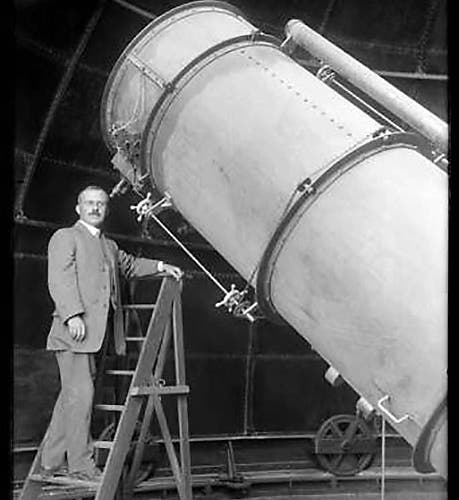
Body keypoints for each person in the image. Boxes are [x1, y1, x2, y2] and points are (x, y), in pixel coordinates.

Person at [40, 185, 183, 481]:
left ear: (106, 209)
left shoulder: (109, 245)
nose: (95, 208)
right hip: (74, 333)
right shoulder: (65, 238)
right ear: (78, 208)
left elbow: (129, 266)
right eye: (89, 203)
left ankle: (52, 460)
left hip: (97, 336)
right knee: (81, 396)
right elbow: (60, 279)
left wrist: (160, 266)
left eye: (101, 204)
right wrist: (72, 315)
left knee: (72, 396)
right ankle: (80, 464)